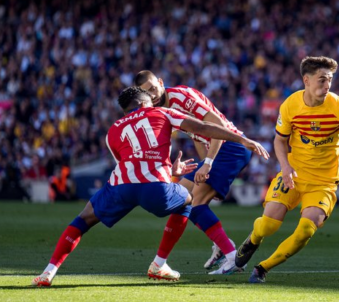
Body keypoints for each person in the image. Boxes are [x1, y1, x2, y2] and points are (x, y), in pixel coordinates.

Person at [32, 87, 269, 287]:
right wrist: (242, 139)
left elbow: (131, 164)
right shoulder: (163, 112)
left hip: (121, 186)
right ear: (145, 102)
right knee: (188, 200)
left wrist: (169, 171)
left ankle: (48, 273)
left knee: (82, 219)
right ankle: (159, 264)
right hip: (155, 188)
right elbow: (204, 128)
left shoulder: (113, 130)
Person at [229, 56, 339, 283]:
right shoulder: (291, 105)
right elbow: (279, 141)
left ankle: (262, 269)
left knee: (305, 230)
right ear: (306, 80)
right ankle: (253, 240)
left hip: (323, 183)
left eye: (330, 80)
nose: (327, 86)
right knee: (268, 225)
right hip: (293, 174)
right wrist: (284, 166)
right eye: (322, 80)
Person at [135, 70, 263, 274]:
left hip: (230, 147)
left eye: (153, 88)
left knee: (196, 205)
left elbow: (217, 127)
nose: (153, 95)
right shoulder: (164, 108)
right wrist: (206, 165)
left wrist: (208, 164)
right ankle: (159, 264)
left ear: (161, 81)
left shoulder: (181, 97)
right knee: (180, 200)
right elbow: (197, 133)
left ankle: (232, 257)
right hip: (219, 150)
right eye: (147, 93)